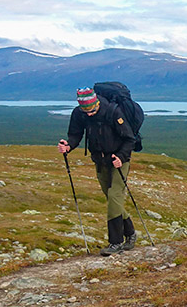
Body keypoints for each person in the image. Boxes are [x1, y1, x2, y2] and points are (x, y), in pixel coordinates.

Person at [58, 86, 137, 256]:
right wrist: (68, 145)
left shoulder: (113, 112)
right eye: (86, 111)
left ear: (97, 103)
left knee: (114, 197)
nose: (89, 114)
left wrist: (121, 157)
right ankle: (130, 234)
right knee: (112, 199)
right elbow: (75, 134)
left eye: (92, 110)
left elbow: (130, 138)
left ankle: (115, 243)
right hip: (100, 161)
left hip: (118, 161)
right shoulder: (79, 114)